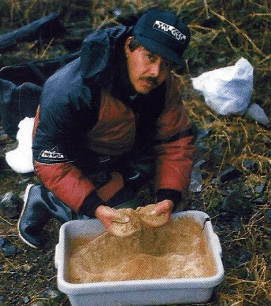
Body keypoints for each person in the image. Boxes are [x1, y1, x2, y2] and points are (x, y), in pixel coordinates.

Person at [18, 9, 196, 248]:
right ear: (129, 46)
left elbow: (175, 142)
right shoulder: (69, 91)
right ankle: (47, 199)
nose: (156, 72)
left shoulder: (163, 85)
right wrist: (95, 207)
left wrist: (168, 197)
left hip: (124, 147)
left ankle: (118, 182)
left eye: (166, 64)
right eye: (150, 57)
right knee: (125, 230)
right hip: (80, 160)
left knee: (164, 193)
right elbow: (50, 162)